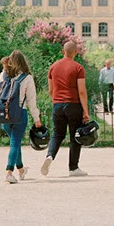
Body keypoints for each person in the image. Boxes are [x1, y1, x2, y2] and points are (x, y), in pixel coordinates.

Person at [42, 41, 90, 178]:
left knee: (57, 134)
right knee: (75, 136)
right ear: (76, 52)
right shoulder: (78, 68)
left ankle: (50, 156)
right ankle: (73, 168)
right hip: (73, 105)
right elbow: (82, 91)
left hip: (57, 104)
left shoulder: (53, 67)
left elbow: (51, 90)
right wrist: (85, 111)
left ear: (63, 51)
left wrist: (57, 101)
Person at [0, 51, 42, 184]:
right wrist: (36, 119)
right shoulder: (27, 78)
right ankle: (9, 172)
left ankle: (21, 169)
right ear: (23, 62)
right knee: (15, 143)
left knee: (14, 143)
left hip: (4, 114)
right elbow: (31, 101)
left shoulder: (3, 75)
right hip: (19, 114)